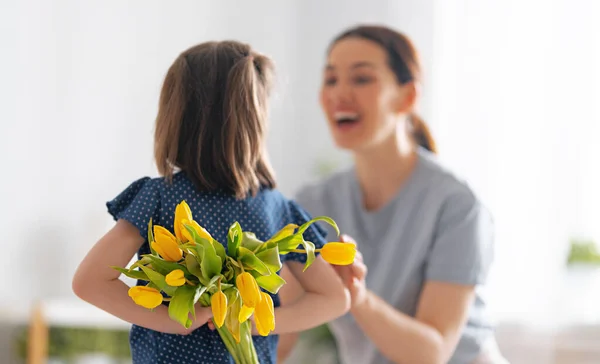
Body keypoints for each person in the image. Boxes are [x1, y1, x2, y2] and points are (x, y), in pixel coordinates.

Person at [72, 40, 350, 364]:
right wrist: (262, 323)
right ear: (256, 120)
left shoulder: (161, 197)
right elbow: (334, 298)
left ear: (176, 118)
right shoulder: (278, 210)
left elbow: (89, 282)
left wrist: (171, 319)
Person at [277, 25, 508, 364]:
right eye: (330, 79)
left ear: (407, 97)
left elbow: (433, 352)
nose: (339, 93)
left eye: (361, 79)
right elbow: (283, 330)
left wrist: (356, 296)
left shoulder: (456, 204)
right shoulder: (313, 203)